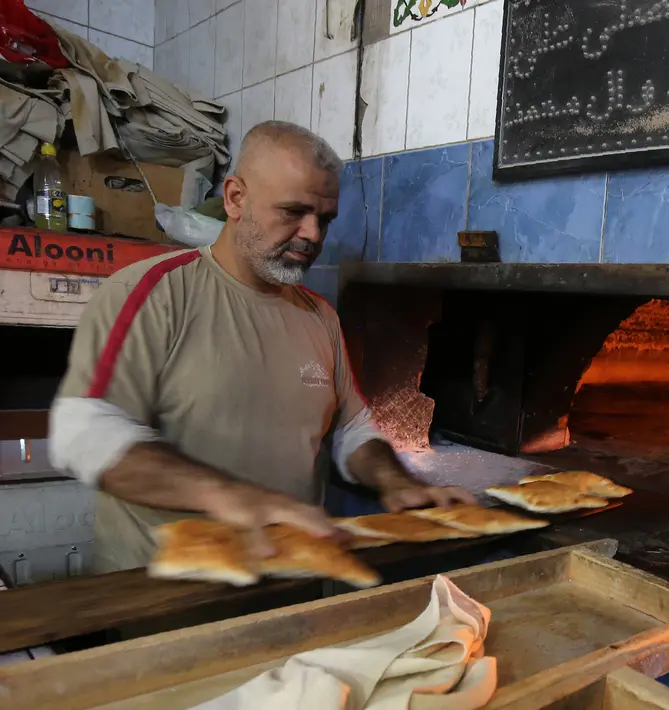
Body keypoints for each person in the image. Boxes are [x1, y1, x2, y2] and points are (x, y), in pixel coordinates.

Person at [48, 121, 475, 574]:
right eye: (293, 211)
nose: (313, 234)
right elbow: (84, 431)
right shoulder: (153, 293)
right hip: (165, 602)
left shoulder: (320, 318)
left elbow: (353, 429)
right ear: (235, 198)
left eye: (324, 218)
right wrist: (232, 496)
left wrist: (394, 480)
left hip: (291, 588)